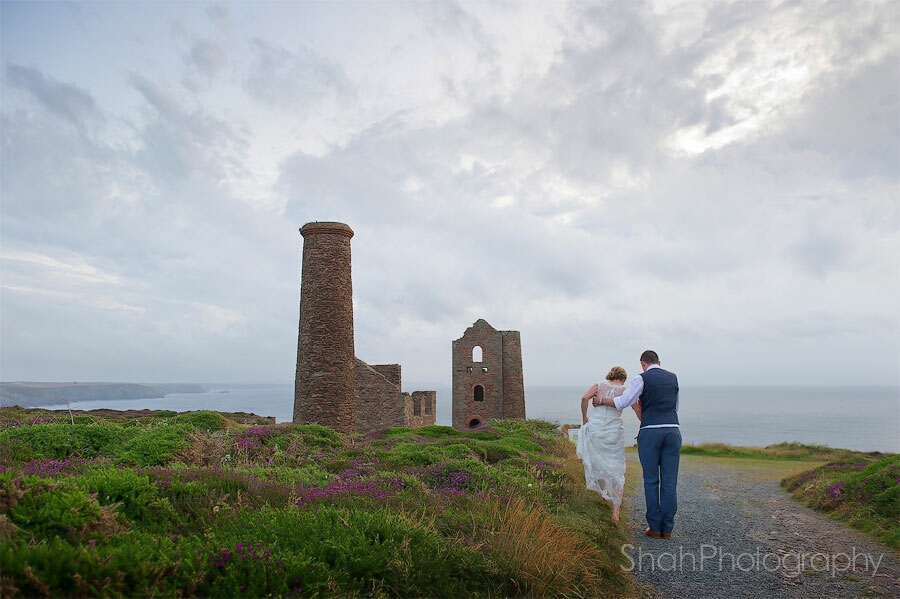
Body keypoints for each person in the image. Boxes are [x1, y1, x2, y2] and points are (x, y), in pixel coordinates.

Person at [595, 350, 680, 539]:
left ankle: (654, 527)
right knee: (669, 481)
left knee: (651, 480)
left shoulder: (641, 379)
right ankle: (667, 529)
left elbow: (622, 402)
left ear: (642, 364)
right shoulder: (673, 378)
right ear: (659, 362)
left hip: (651, 431)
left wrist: (601, 400)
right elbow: (675, 407)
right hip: (673, 430)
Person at [576, 366, 634, 522]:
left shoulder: (599, 385)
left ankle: (603, 493)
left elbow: (584, 399)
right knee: (616, 466)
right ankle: (616, 511)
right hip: (613, 430)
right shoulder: (625, 390)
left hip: (596, 427)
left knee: (597, 461)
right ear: (623, 378)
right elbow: (636, 406)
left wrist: (584, 418)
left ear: (610, 375)